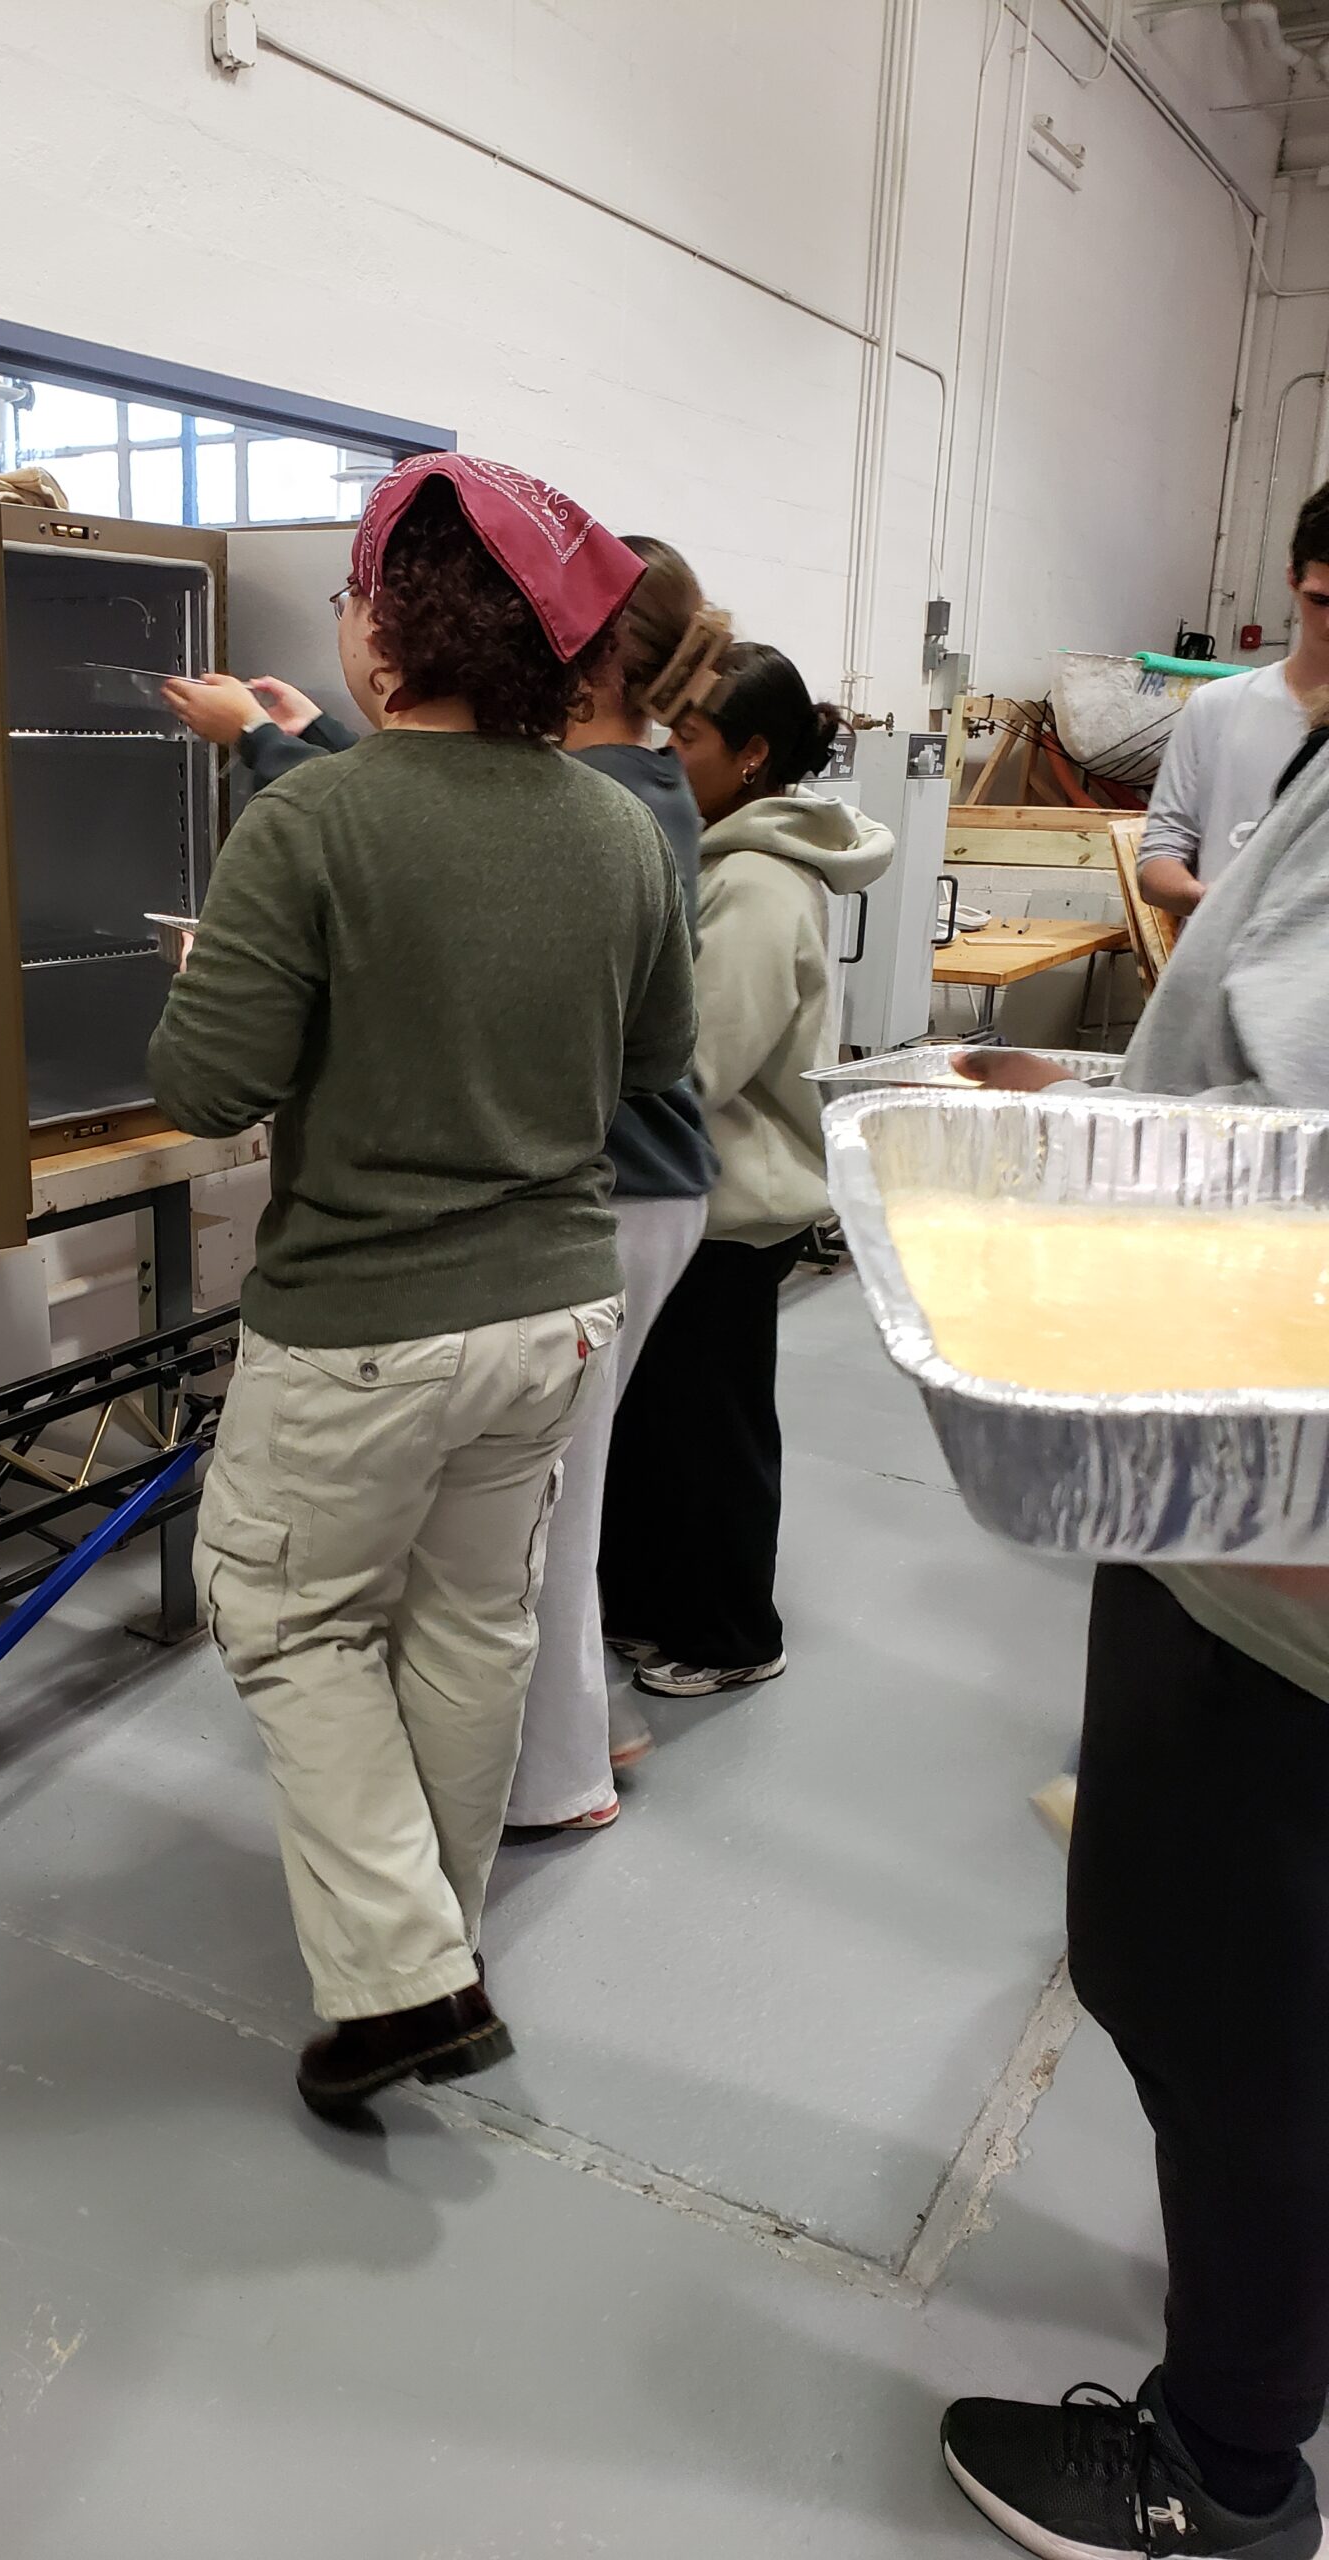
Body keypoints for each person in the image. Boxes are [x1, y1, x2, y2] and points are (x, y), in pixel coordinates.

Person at [145, 454, 697, 2119]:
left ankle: (403, 1974)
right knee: (471, 1622)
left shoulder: (312, 819)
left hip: (363, 1324)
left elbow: (209, 1088)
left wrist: (227, 979)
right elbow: (654, 1060)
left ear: (388, 627)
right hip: (553, 1312)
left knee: (284, 1613)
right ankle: (433, 1957)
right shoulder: (619, 829)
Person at [941, 740, 1329, 2558]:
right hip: (1242, 1520)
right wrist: (1116, 1104)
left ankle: (1228, 2469)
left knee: (1224, 2009)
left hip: (1275, 1566)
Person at [598, 642, 893, 1702]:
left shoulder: (758, 882)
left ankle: (731, 1634)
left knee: (710, 1431)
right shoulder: (718, 858)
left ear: (754, 754)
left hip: (729, 1204)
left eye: (686, 735)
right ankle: (649, 1607)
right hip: (691, 1191)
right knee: (656, 1422)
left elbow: (702, 1060)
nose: (663, 750)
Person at [1135, 480, 1329, 919]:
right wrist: (1208, 901)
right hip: (1226, 954)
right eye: (1320, 599)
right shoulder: (1217, 707)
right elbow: (1159, 857)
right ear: (1292, 579)